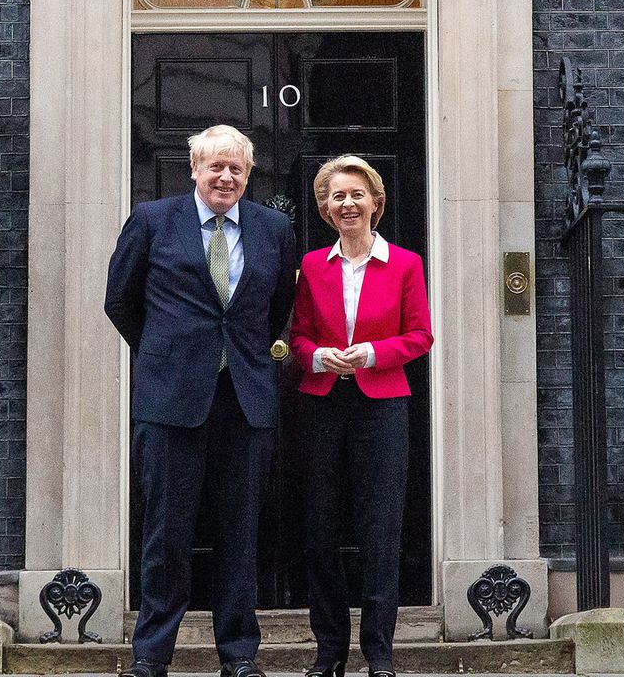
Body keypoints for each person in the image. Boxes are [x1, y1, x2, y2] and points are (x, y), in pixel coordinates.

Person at [105, 124, 300, 677]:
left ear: (248, 173)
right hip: (170, 401)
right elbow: (119, 299)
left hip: (245, 400)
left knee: (241, 531)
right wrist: (166, 354)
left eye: (236, 167)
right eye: (215, 166)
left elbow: (277, 304)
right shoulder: (152, 220)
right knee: (167, 531)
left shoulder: (274, 228)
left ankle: (239, 655)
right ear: (193, 168)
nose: (226, 176)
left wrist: (247, 355)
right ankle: (151, 655)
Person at [288, 155, 433, 677]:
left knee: (380, 528)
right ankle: (329, 652)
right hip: (323, 403)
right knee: (321, 525)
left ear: (375, 202)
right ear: (325, 208)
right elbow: (297, 336)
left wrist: (371, 353)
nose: (347, 204)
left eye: (356, 194)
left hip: (382, 404)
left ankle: (379, 653)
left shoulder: (405, 264)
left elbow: (421, 336)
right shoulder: (310, 266)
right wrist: (318, 357)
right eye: (336, 196)